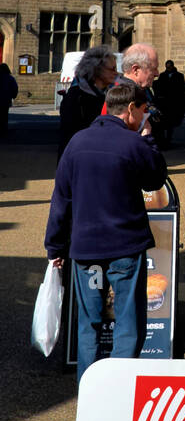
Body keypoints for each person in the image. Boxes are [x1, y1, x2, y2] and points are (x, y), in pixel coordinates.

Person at [45, 81, 167, 382]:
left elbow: (61, 199)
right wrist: (149, 140)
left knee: (89, 322)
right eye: (142, 111)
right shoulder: (133, 143)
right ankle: (120, 387)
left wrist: (55, 247)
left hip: (86, 247)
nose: (143, 117)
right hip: (125, 245)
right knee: (128, 321)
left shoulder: (76, 143)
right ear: (129, 110)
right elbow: (155, 179)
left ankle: (90, 389)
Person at [58, 46, 117, 158]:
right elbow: (69, 140)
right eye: (112, 69)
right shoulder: (76, 98)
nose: (116, 73)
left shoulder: (108, 95)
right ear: (96, 69)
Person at [153, 59, 185, 146]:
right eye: (167, 67)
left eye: (170, 67)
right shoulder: (162, 75)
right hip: (164, 103)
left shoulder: (179, 76)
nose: (168, 68)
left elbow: (183, 88)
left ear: (173, 66)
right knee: (163, 122)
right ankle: (163, 141)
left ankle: (169, 140)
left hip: (174, 103)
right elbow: (158, 87)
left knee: (171, 123)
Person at [0, 62, 18, 137]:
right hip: (6, 99)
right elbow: (15, 88)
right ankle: (4, 129)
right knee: (4, 115)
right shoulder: (10, 78)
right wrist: (13, 96)